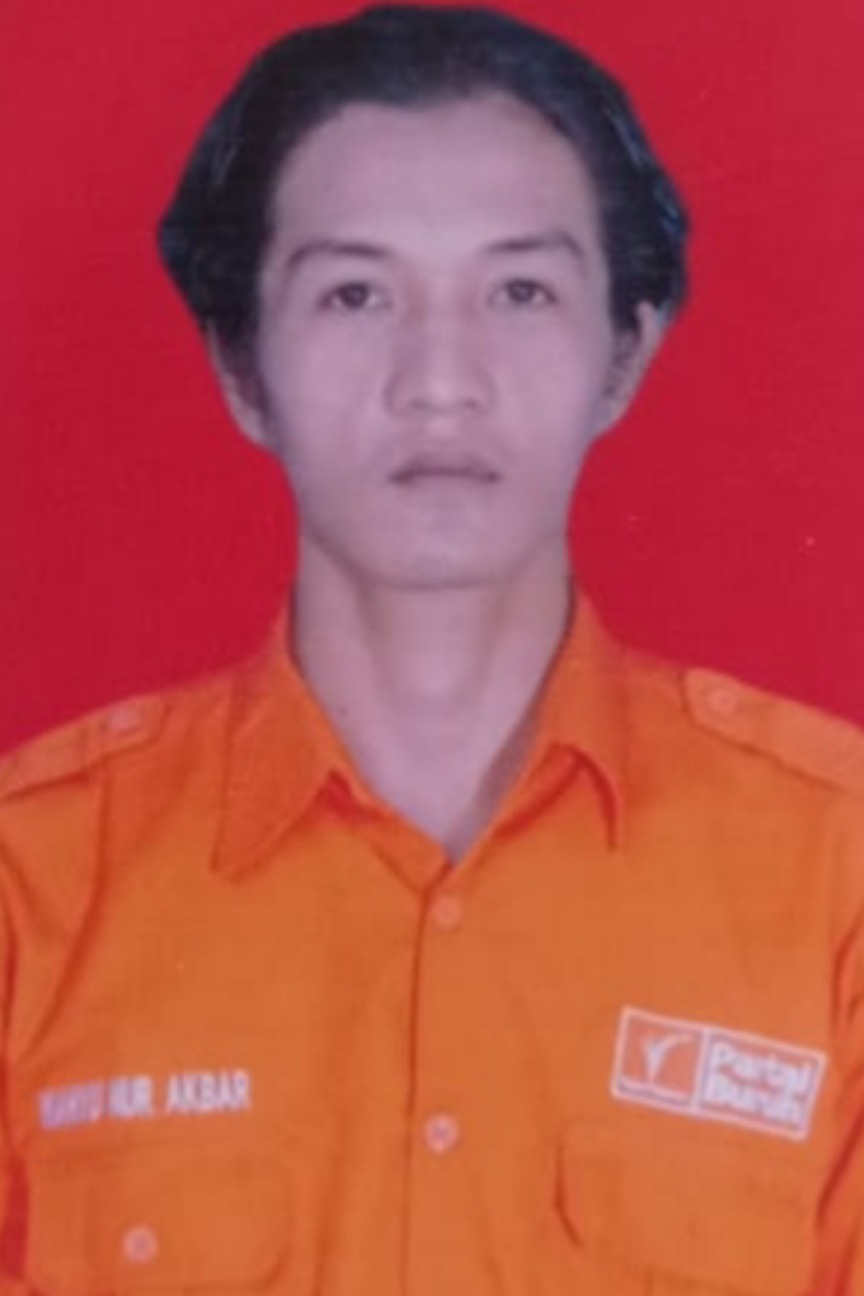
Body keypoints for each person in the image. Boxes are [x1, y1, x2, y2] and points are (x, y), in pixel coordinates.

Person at [0, 5, 861, 1293]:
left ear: (623, 355)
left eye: (520, 291)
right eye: (356, 293)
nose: (440, 381)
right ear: (242, 366)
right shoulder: (34, 881)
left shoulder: (835, 873)